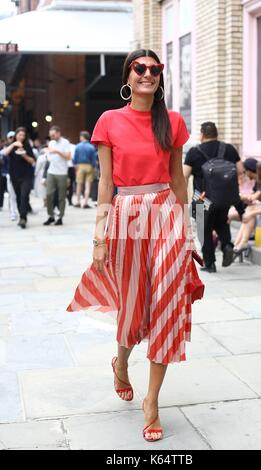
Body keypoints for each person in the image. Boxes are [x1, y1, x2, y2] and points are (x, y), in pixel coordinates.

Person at [66, 49, 204, 442]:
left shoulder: (172, 121)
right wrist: (98, 238)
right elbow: (105, 184)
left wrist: (189, 229)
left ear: (161, 77)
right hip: (126, 215)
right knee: (132, 307)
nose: (148, 74)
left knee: (166, 304)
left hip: (165, 214)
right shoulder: (109, 121)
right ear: (128, 75)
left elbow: (178, 180)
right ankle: (121, 365)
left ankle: (152, 402)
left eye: (155, 69)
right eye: (140, 68)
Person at [183, 122, 244, 273]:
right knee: (222, 223)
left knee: (203, 230)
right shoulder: (228, 149)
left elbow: (184, 175)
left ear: (202, 135)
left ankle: (209, 264)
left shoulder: (194, 152)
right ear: (216, 134)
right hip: (223, 196)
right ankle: (227, 245)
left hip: (201, 198)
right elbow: (241, 170)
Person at [3, 127, 36, 229]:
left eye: (23, 135)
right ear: (16, 135)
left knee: (24, 195)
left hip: (26, 175)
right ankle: (22, 216)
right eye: (19, 135)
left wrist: (23, 154)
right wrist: (13, 144)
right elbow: (4, 153)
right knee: (18, 197)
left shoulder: (27, 146)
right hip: (14, 176)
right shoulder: (11, 145)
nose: (21, 137)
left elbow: (32, 161)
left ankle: (23, 218)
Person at [43, 126, 71, 226]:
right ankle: (51, 216)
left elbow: (68, 157)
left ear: (58, 133)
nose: (52, 137)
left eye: (53, 135)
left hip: (62, 173)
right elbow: (50, 158)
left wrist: (57, 152)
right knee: (48, 194)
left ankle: (60, 217)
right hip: (51, 171)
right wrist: (46, 154)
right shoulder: (51, 143)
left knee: (61, 196)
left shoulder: (65, 142)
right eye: (51, 135)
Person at [73, 131, 97, 208]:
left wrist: (75, 165)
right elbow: (94, 159)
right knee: (88, 185)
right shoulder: (91, 147)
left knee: (79, 184)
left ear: (82, 137)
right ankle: (85, 202)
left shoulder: (77, 146)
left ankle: (78, 202)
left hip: (80, 166)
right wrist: (93, 167)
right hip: (89, 166)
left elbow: (75, 158)